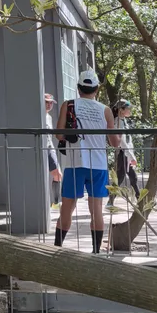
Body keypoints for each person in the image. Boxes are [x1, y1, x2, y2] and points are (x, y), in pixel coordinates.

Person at [54, 70, 121, 254]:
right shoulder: (105, 110)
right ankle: (95, 251)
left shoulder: (68, 106)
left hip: (75, 163)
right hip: (98, 164)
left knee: (67, 207)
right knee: (96, 208)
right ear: (97, 89)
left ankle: (57, 249)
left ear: (78, 88)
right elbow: (115, 143)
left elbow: (59, 134)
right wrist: (116, 122)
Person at [107, 99, 139, 212]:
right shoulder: (118, 122)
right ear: (121, 110)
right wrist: (131, 156)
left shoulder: (123, 120)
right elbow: (123, 142)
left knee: (123, 178)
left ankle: (110, 201)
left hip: (126, 153)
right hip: (124, 153)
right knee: (131, 177)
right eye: (128, 108)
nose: (130, 110)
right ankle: (140, 200)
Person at [44, 93, 61, 209]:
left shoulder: (48, 117)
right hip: (46, 147)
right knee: (57, 174)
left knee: (58, 174)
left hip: (50, 147)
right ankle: (55, 203)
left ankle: (55, 203)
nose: (49, 105)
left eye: (51, 103)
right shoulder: (40, 116)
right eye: (47, 102)